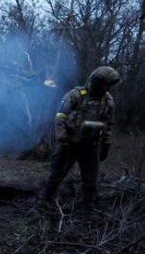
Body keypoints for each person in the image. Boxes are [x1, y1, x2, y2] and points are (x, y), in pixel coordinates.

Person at [38, 66, 120, 210]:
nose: (107, 88)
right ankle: (44, 202)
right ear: (96, 81)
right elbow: (60, 118)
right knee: (57, 175)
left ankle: (88, 208)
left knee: (91, 179)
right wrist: (62, 139)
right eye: (105, 84)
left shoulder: (108, 100)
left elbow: (109, 123)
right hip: (70, 142)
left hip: (91, 145)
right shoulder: (76, 95)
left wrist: (106, 144)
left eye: (109, 85)